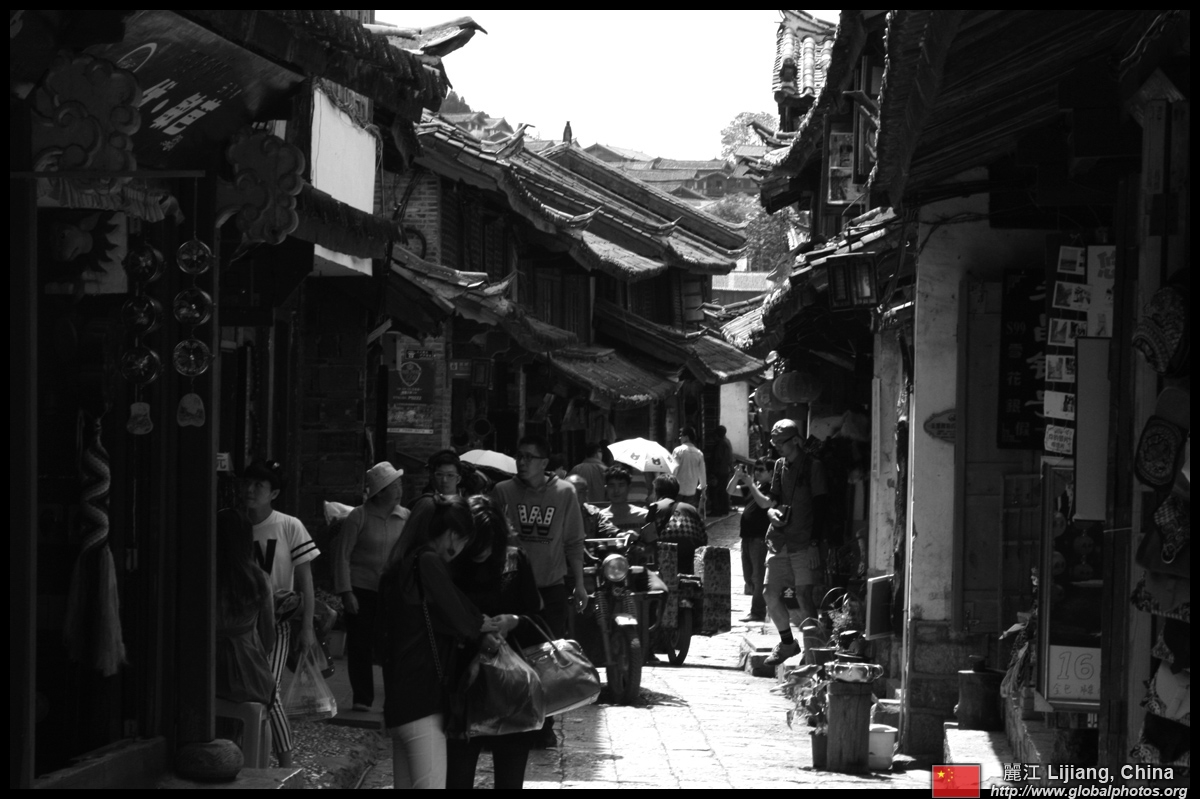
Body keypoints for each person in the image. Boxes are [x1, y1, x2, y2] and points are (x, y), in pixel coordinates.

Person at [378, 494, 499, 789]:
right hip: (422, 699)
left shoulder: (401, 564)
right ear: (452, 534)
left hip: (400, 698)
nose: (460, 550)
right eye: (463, 540)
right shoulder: (427, 561)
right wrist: (484, 625)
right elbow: (461, 618)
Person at [490, 434, 587, 749]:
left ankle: (543, 725)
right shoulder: (502, 492)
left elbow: (573, 541)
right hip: (510, 589)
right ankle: (510, 722)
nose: (522, 462)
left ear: (544, 462)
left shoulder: (564, 492)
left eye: (529, 457)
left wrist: (580, 583)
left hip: (550, 588)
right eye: (519, 456)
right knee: (509, 657)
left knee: (547, 660)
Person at [446, 495, 545, 789]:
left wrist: (514, 621)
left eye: (487, 544)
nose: (481, 551)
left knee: (510, 777)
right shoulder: (450, 565)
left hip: (510, 688)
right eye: (475, 544)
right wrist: (474, 633)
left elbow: (537, 620)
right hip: (463, 688)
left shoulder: (514, 560)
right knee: (458, 776)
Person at [241, 458, 319, 768]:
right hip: (240, 623)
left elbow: (306, 580)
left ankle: (287, 765)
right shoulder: (235, 524)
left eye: (259, 485)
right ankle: (252, 759)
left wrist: (307, 627)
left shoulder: (289, 525)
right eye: (248, 483)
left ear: (273, 493)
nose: (250, 490)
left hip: (276, 624)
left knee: (268, 692)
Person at [333, 462, 409, 713]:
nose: (399, 490)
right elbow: (343, 556)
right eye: (394, 486)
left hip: (391, 591)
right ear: (381, 491)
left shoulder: (405, 517)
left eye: (399, 485)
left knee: (391, 644)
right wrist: (346, 592)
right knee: (360, 644)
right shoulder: (359, 516)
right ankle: (362, 697)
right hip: (361, 587)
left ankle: (394, 698)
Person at [762, 419, 828, 667]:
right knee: (769, 593)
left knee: (804, 596)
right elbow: (773, 498)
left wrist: (815, 544)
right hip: (780, 540)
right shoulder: (779, 466)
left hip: (804, 541)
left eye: (781, 442)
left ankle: (813, 654)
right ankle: (788, 643)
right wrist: (771, 512)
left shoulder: (813, 467)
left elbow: (821, 507)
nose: (778, 446)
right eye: (775, 442)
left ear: (795, 440)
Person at [215, 508, 277, 718]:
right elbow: (268, 635)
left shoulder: (202, 574)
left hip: (205, 665)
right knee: (258, 716)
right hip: (247, 667)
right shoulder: (258, 578)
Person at [728, 458, 772, 623]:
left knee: (758, 576)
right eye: (756, 469)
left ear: (771, 473)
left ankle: (758, 611)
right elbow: (731, 490)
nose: (757, 472)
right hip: (746, 537)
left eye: (761, 469)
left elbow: (764, 504)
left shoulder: (771, 489)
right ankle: (761, 607)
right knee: (748, 577)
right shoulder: (755, 487)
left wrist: (751, 484)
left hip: (759, 538)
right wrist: (737, 476)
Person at [646, 474, 707, 575]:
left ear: (656, 492)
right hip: (690, 556)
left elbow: (648, 537)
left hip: (665, 556)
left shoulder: (655, 507)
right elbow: (703, 538)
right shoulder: (691, 509)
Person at [564, 474, 620, 539]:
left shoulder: (593, 513)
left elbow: (607, 527)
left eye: (580, 492)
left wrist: (619, 534)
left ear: (585, 494)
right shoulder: (556, 511)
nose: (576, 496)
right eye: (572, 491)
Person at [602, 464, 651, 536]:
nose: (616, 490)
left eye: (621, 485)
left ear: (629, 487)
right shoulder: (600, 519)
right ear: (606, 488)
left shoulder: (644, 516)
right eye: (611, 485)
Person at [671, 426, 707, 509]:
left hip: (678, 491)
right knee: (688, 513)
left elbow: (674, 470)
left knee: (676, 513)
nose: (680, 438)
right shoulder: (699, 453)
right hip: (692, 491)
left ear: (687, 437)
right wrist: (703, 492)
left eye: (681, 435)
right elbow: (702, 474)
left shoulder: (678, 451)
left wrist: (670, 487)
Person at [710, 426, 735, 516]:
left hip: (719, 471)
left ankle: (717, 511)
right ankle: (724, 509)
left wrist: (712, 472)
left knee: (716, 491)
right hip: (725, 470)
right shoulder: (727, 442)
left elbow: (718, 458)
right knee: (723, 491)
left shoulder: (720, 444)